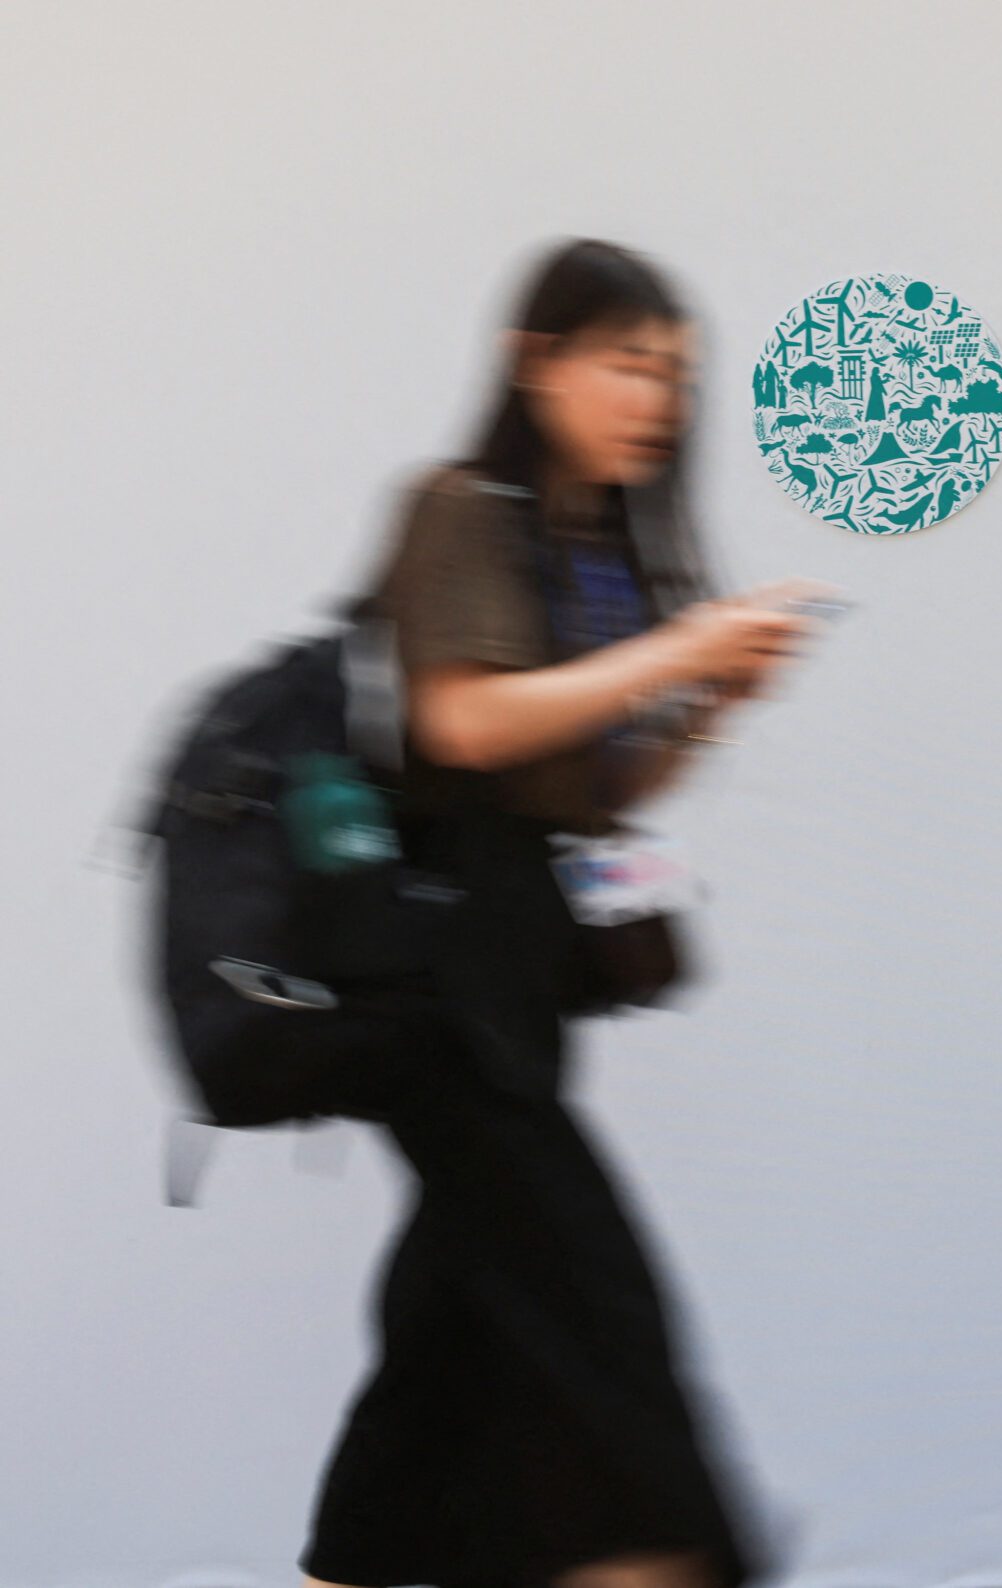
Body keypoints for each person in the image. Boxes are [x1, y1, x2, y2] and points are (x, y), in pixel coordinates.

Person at [300, 239, 818, 1588]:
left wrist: (707, 703)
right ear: (537, 363)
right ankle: (689, 1556)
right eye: (625, 361)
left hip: (526, 981)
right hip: (439, 975)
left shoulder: (601, 553)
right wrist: (681, 651)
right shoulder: (460, 510)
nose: (655, 397)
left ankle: (344, 1566)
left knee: (454, 1319)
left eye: (674, 374)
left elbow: (597, 794)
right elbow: (460, 721)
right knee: (601, 1308)